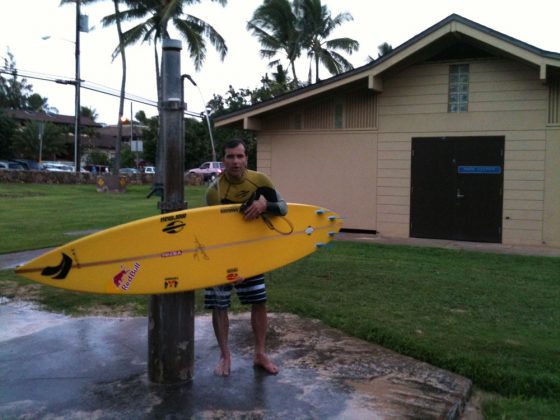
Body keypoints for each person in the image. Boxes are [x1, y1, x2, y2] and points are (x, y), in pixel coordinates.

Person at [205, 138, 288, 377]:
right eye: (230, 156)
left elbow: (283, 208)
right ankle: (225, 355)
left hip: (252, 253)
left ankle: (260, 353)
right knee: (219, 304)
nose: (235, 161)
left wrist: (265, 205)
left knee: (258, 301)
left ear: (246, 159)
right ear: (223, 160)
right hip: (222, 253)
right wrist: (229, 268)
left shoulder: (260, 181)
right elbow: (213, 231)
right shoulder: (214, 191)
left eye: (240, 156)